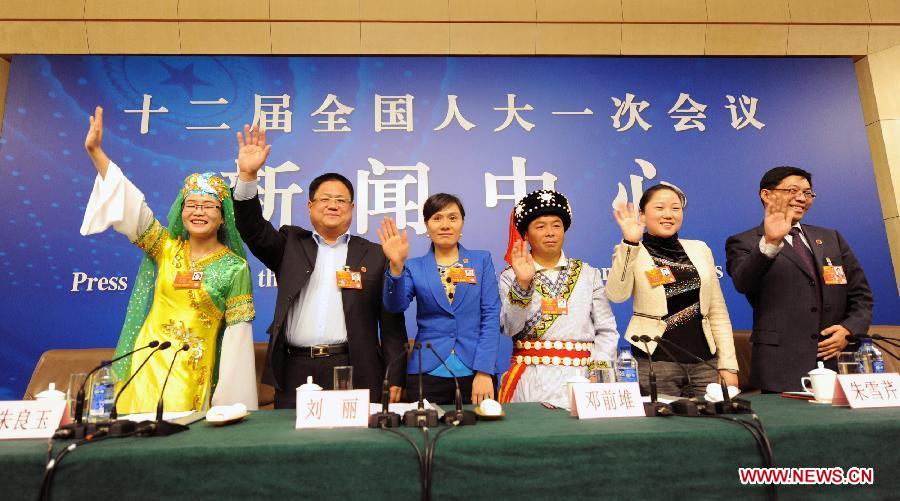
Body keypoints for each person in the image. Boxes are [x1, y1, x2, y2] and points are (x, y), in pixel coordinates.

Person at [80, 107, 257, 414]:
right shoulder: (164, 246)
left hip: (192, 374)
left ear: (222, 218)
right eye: (192, 204)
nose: (199, 212)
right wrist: (96, 152)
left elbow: (237, 342)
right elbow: (130, 203)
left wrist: (232, 404)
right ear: (181, 210)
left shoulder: (234, 267)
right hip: (144, 365)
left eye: (208, 206)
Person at [232, 125, 407, 408]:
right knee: (295, 448)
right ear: (310, 207)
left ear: (352, 209)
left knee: (353, 449)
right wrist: (248, 176)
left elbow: (391, 325)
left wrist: (395, 375)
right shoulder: (290, 244)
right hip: (296, 369)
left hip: (355, 367)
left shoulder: (374, 254)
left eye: (341, 201)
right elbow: (252, 229)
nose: (333, 205)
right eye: (325, 200)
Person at [726, 166, 873, 392]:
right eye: (792, 190)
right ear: (766, 195)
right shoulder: (744, 242)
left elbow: (861, 295)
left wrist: (849, 329)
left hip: (837, 358)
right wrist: (770, 242)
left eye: (807, 193)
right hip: (781, 365)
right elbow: (743, 282)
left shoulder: (830, 238)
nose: (801, 198)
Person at [606, 184, 739, 397]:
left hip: (705, 363)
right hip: (656, 364)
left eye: (675, 208)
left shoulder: (700, 249)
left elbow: (718, 312)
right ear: (642, 214)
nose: (668, 214)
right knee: (662, 427)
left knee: (714, 425)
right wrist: (630, 243)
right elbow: (616, 294)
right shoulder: (631, 251)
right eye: (659, 207)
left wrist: (728, 365)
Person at [498, 189, 619, 405]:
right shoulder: (511, 276)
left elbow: (607, 329)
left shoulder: (587, 274)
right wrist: (523, 283)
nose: (550, 232)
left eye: (556, 225)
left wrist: (598, 373)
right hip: (531, 379)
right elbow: (510, 328)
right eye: (540, 226)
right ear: (526, 234)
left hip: (582, 379)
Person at [378, 194, 500, 405]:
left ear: (462, 222)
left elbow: (491, 316)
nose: (445, 225)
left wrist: (484, 371)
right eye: (437, 218)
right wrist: (396, 267)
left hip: (475, 371)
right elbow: (395, 305)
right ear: (427, 225)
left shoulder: (481, 260)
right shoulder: (414, 266)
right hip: (426, 372)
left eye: (453, 218)